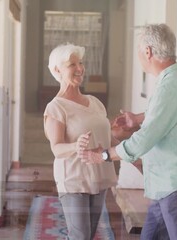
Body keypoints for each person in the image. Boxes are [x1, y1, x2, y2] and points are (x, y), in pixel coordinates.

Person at [79, 23, 177, 240]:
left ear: (148, 51)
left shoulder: (171, 85)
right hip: (167, 188)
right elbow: (168, 115)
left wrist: (103, 155)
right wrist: (137, 119)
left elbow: (144, 139)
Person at [43, 43, 118, 240]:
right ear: (57, 70)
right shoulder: (55, 108)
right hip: (73, 180)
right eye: (72, 64)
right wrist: (76, 147)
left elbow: (109, 140)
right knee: (80, 236)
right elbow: (56, 148)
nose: (80, 68)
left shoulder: (95, 103)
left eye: (81, 63)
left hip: (99, 176)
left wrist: (129, 141)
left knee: (88, 235)